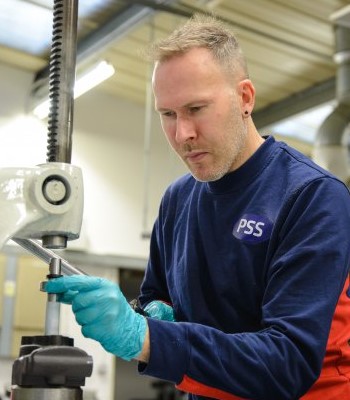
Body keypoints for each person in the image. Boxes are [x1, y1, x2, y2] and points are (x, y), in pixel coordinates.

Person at [45, 14, 350, 400]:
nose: (182, 134)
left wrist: (147, 338)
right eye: (167, 114)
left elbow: (288, 363)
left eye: (196, 109)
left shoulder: (312, 197)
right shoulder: (177, 200)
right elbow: (159, 296)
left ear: (245, 98)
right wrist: (150, 313)